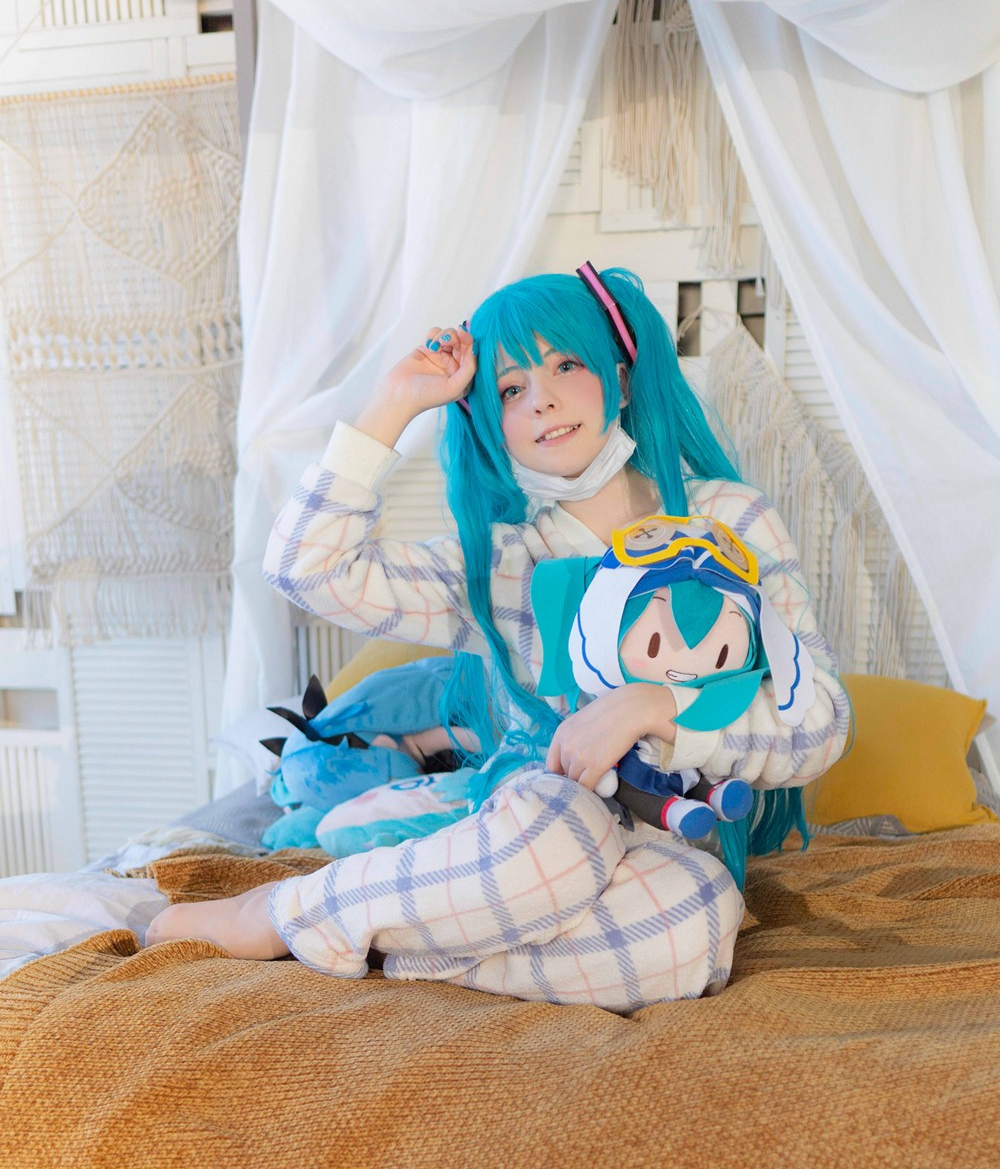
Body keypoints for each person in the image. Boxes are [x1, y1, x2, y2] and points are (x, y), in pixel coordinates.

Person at [146, 266, 850, 1011]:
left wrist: (654, 707)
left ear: (618, 378)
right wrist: (395, 403)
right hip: (543, 824)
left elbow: (821, 723)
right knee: (565, 841)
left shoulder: (729, 521)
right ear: (492, 422)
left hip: (670, 838)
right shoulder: (496, 565)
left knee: (694, 928)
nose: (541, 397)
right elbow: (304, 568)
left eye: (566, 365)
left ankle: (391, 945)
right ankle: (277, 913)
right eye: (512, 389)